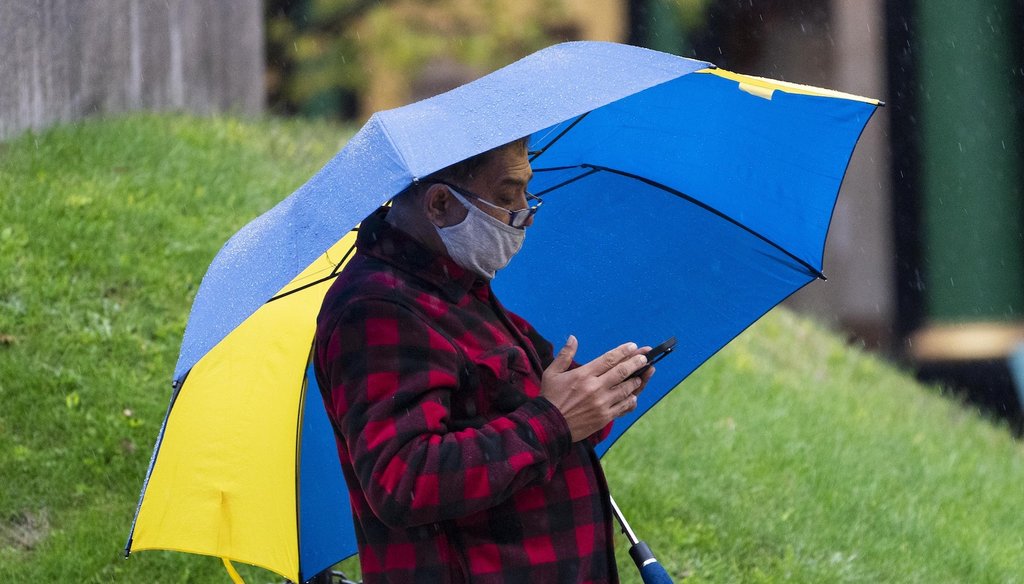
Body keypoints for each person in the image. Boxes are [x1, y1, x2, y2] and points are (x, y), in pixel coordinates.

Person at [313, 136, 655, 583]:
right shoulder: (377, 309)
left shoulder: (462, 290)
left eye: (526, 192)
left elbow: (526, 417)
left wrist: (596, 396)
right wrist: (555, 419)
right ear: (439, 204)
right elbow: (403, 480)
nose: (525, 214)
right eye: (506, 195)